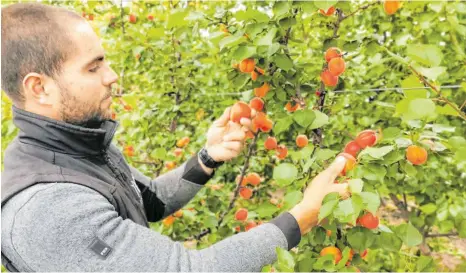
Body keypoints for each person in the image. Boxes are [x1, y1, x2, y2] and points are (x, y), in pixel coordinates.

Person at [1, 3, 350, 272]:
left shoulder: (81, 146)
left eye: (104, 60)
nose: (112, 75)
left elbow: (149, 200)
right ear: (39, 88)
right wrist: (302, 216)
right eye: (93, 67)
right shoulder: (49, 210)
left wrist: (207, 157)